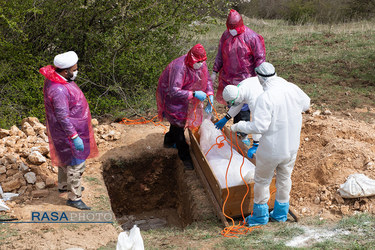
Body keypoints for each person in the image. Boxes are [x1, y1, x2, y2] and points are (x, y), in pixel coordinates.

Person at [230, 62, 310, 226]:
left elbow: (260, 127)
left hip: (272, 149)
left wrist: (238, 126)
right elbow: (306, 103)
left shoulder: (265, 97)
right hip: (291, 146)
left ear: (259, 78)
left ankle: (260, 216)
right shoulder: (292, 88)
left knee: (262, 181)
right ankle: (280, 213)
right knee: (284, 178)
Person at [39, 51, 99, 210]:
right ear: (65, 71)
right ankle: (74, 197)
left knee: (65, 159)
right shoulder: (58, 90)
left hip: (65, 130)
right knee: (75, 164)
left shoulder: (57, 79)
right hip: (68, 131)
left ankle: (65, 186)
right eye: (75, 68)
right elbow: (63, 117)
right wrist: (74, 137)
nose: (76, 71)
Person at [211, 9, 266, 146]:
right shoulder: (226, 36)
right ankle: (237, 131)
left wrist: (260, 76)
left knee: (245, 107)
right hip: (229, 78)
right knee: (235, 103)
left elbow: (260, 58)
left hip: (246, 78)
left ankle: (246, 136)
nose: (232, 31)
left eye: (234, 28)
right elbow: (220, 55)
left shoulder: (251, 37)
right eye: (230, 28)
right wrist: (214, 71)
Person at [156, 44, 214, 170]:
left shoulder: (201, 63)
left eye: (202, 61)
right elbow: (174, 91)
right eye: (198, 62)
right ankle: (185, 156)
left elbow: (207, 80)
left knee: (178, 124)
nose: (200, 64)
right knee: (178, 122)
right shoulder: (179, 67)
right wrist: (193, 94)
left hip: (188, 94)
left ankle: (169, 141)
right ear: (191, 58)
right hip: (173, 97)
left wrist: (210, 94)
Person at [214, 77, 263, 158]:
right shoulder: (239, 91)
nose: (232, 105)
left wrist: (256, 143)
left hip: (270, 101)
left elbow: (257, 121)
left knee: (267, 128)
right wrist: (226, 118)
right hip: (258, 88)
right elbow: (237, 103)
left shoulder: (253, 100)